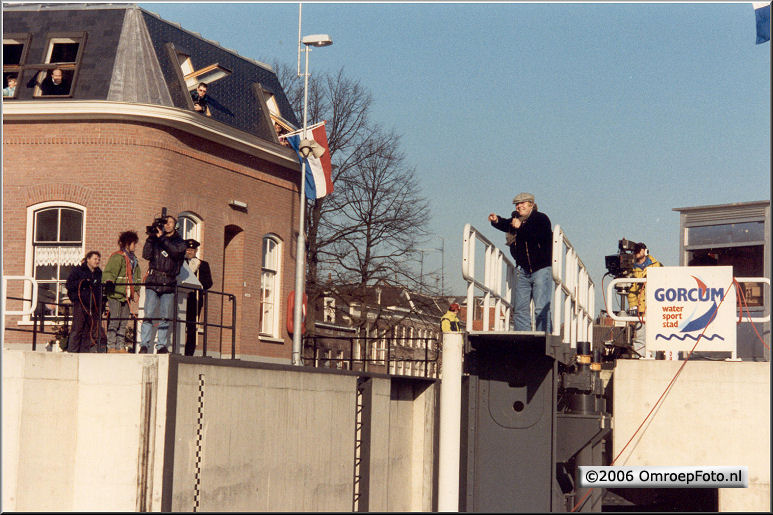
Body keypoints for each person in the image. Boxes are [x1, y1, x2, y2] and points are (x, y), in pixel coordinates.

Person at [488, 192, 553, 332]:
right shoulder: (516, 220)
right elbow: (506, 224)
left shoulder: (541, 219)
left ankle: (544, 339)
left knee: (541, 307)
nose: (519, 206)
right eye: (517, 204)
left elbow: (537, 237)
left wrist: (520, 228)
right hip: (523, 270)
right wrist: (496, 220)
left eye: (522, 203)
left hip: (541, 269)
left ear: (531, 204)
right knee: (520, 309)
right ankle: (523, 339)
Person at [140, 215, 186, 354]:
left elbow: (175, 252)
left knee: (165, 316)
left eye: (170, 223)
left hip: (169, 281)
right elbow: (146, 254)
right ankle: (144, 344)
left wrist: (162, 239)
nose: (167, 225)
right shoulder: (156, 239)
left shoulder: (179, 242)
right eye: (165, 223)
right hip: (154, 280)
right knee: (148, 313)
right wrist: (151, 237)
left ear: (175, 225)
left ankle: (161, 345)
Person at [103, 231, 142, 353]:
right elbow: (109, 271)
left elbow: (137, 275)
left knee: (124, 322)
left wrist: (137, 289)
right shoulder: (117, 257)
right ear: (127, 243)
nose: (134, 246)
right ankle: (111, 346)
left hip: (127, 295)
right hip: (116, 294)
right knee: (115, 320)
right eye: (133, 243)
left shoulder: (134, 260)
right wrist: (109, 281)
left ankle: (120, 346)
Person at [626, 242, 662, 358]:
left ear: (644, 251)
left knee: (654, 336)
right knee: (640, 336)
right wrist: (633, 305)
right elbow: (631, 290)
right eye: (634, 251)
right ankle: (640, 359)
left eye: (638, 250)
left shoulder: (657, 265)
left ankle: (653, 359)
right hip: (641, 309)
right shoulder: (632, 269)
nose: (636, 253)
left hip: (655, 307)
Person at [65, 251, 104, 353]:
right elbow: (69, 285)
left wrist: (102, 303)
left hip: (93, 305)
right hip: (80, 303)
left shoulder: (99, 273)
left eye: (98, 259)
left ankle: (84, 353)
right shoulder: (78, 271)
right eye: (95, 259)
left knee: (88, 329)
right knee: (77, 328)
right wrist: (82, 283)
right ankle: (72, 352)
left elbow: (100, 290)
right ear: (88, 259)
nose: (97, 261)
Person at [183, 239, 213, 356]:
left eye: (192, 250)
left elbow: (209, 282)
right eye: (188, 249)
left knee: (192, 326)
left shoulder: (202, 265)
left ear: (196, 251)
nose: (189, 252)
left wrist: (197, 283)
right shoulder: (180, 263)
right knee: (178, 323)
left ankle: (189, 352)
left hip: (194, 299)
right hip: (180, 298)